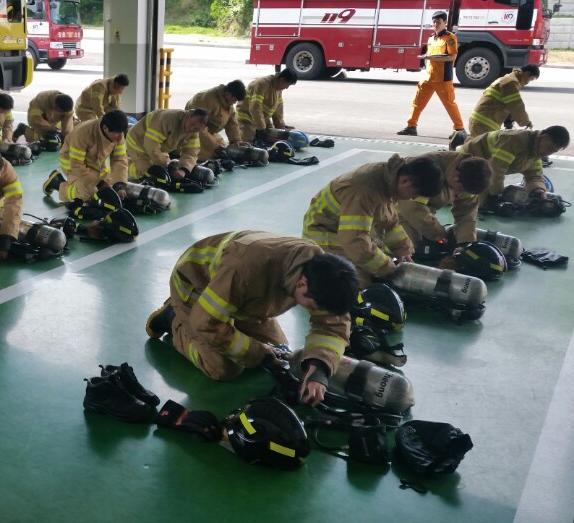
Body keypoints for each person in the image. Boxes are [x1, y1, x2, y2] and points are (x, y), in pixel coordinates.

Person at [145, 231, 358, 405]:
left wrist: (319, 368)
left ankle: (232, 325)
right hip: (197, 290)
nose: (314, 311)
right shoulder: (246, 269)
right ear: (302, 284)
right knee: (223, 367)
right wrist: (256, 353)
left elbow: (333, 325)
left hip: (241, 300)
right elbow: (206, 322)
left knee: (280, 350)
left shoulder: (324, 275)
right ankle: (172, 318)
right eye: (312, 306)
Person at [302, 155, 444, 285]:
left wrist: (403, 249)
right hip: (324, 235)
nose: (413, 198)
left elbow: (389, 221)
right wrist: (388, 269)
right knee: (359, 283)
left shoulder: (387, 179)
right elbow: (354, 241)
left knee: (378, 263)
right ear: (405, 181)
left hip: (345, 231)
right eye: (415, 193)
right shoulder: (364, 191)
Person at [396, 152, 492, 248]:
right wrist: (440, 235)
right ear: (456, 177)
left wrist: (465, 245)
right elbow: (413, 209)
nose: (461, 193)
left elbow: (466, 215)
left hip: (418, 212)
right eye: (462, 189)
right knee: (409, 247)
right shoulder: (426, 171)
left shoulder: (467, 179)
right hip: (396, 207)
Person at [397, 11, 465, 138]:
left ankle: (460, 128)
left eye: (438, 22)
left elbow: (452, 57)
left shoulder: (450, 38)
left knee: (449, 104)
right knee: (417, 102)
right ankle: (411, 126)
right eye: (434, 22)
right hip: (428, 76)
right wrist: (427, 58)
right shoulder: (431, 38)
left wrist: (431, 57)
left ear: (445, 23)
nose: (435, 24)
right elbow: (430, 56)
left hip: (442, 78)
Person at [457, 126, 569, 203]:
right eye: (549, 147)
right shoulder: (515, 140)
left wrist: (538, 190)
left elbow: (534, 176)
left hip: (481, 168)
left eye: (553, 151)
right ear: (542, 137)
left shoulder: (535, 151)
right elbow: (496, 170)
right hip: (464, 162)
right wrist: (497, 195)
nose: (548, 153)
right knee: (475, 202)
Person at [43, 110, 129, 204]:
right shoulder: (83, 133)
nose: (121, 137)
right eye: (118, 133)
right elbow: (76, 165)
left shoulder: (118, 134)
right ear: (105, 128)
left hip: (95, 165)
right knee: (88, 195)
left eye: (122, 132)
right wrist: (99, 183)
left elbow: (119, 159)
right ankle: (57, 183)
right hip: (72, 164)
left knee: (111, 190)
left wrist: (119, 185)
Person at [126, 108, 207, 181]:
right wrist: (164, 164)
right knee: (146, 173)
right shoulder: (167, 119)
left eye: (197, 129)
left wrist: (184, 169)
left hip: (158, 146)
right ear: (189, 116)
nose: (192, 129)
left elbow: (191, 152)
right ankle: (123, 166)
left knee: (162, 170)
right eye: (192, 124)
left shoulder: (193, 132)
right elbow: (151, 146)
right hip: (137, 140)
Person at [468, 64, 540, 137]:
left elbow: (505, 102)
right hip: (484, 123)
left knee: (473, 143)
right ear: (527, 73)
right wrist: (526, 122)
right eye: (530, 79)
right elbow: (516, 106)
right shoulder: (511, 83)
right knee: (481, 144)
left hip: (481, 121)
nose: (527, 83)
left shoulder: (508, 78)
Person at [184, 80, 248, 161]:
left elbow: (232, 123)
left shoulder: (227, 102)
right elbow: (199, 128)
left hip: (209, 133)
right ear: (228, 94)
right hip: (192, 132)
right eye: (235, 100)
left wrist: (236, 140)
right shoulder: (206, 99)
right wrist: (215, 147)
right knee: (209, 154)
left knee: (224, 148)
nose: (235, 103)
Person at [238, 68, 298, 143]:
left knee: (273, 138)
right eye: (287, 85)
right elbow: (255, 108)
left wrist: (280, 125)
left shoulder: (278, 88)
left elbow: (278, 109)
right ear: (282, 80)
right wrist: (261, 129)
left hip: (262, 119)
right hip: (247, 118)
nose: (287, 88)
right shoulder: (262, 84)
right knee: (247, 142)